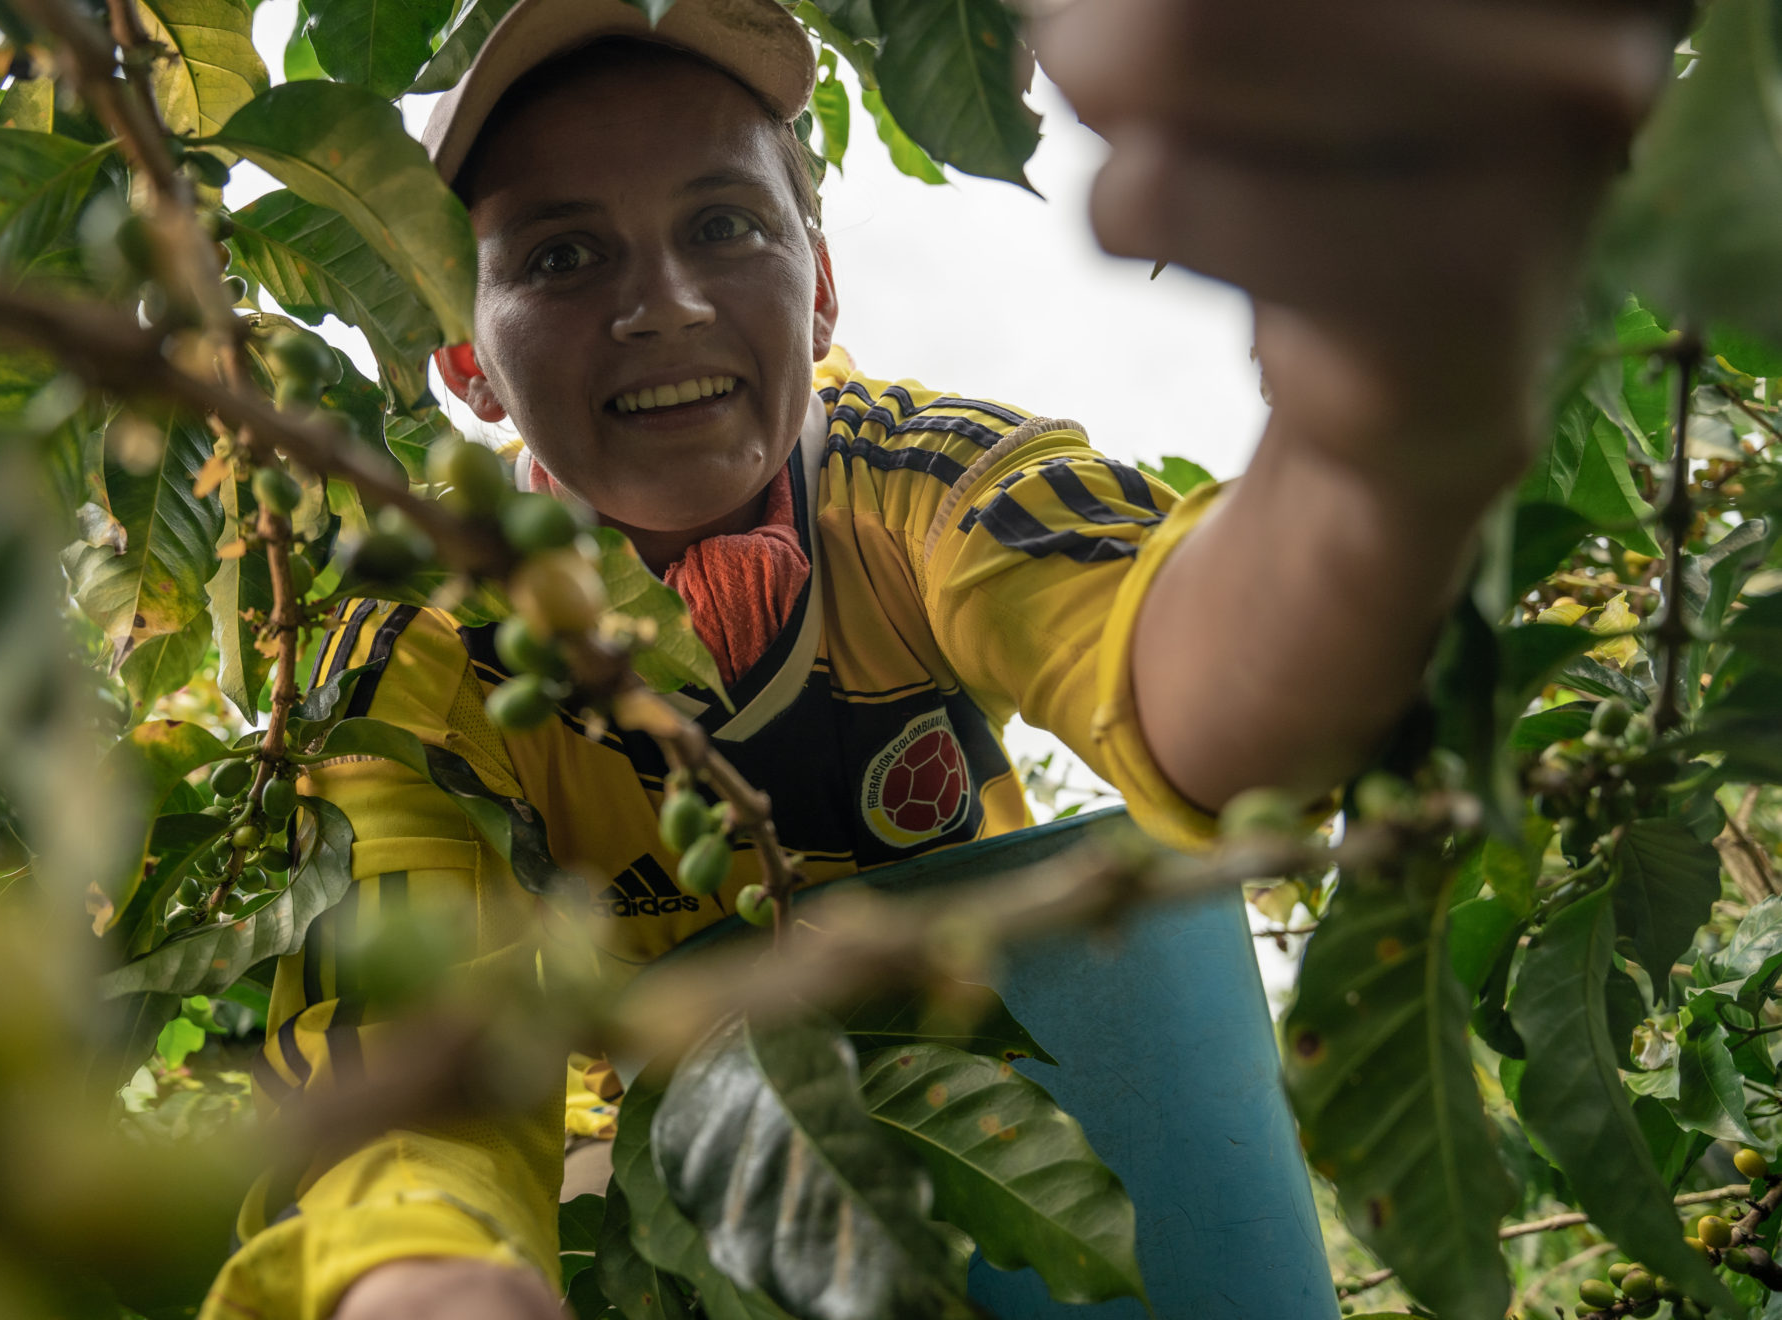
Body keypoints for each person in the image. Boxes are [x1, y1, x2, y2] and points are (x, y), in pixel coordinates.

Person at [197, 0, 1669, 1316]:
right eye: (561, 256)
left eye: (727, 226)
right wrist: (433, 1276)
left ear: (822, 289)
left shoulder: (920, 477)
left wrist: (1373, 400)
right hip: (670, 1178)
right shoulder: (424, 649)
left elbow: (1185, 670)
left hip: (1022, 1100)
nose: (665, 306)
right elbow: (406, 1054)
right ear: (467, 358)